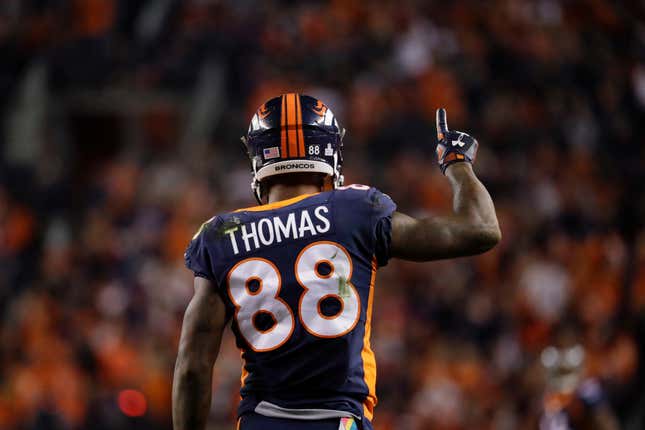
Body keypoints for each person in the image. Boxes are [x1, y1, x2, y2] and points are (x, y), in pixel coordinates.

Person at [172, 93, 501, 430]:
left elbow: (193, 364)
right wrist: (456, 161)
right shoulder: (356, 210)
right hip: (338, 420)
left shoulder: (222, 234)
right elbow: (481, 229)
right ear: (330, 151)